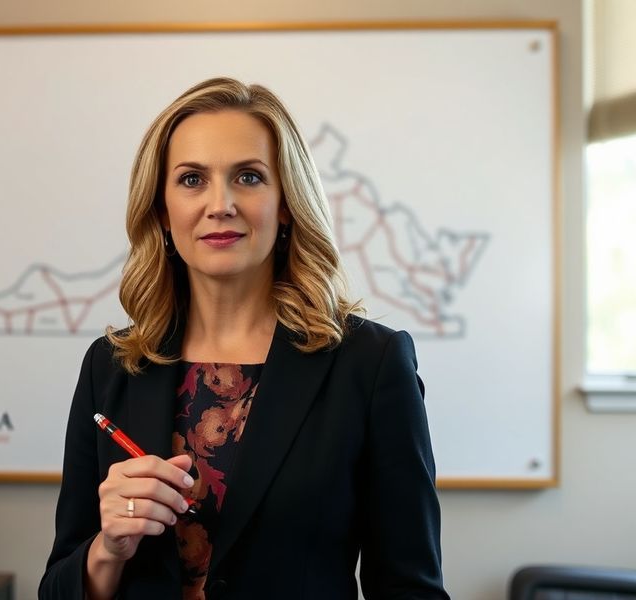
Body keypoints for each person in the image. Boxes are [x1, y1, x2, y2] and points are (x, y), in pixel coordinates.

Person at [39, 77, 449, 600]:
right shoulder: (111, 366)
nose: (220, 204)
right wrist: (107, 550)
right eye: (191, 179)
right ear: (162, 211)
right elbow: (54, 588)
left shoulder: (370, 364)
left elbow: (411, 588)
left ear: (285, 204)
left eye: (249, 177)